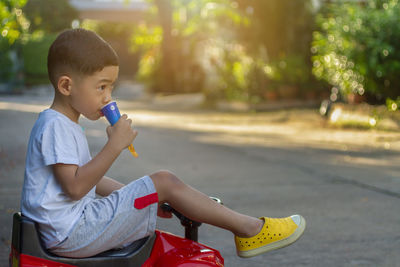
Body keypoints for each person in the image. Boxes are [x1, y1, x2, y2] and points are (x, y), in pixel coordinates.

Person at [21, 28, 306, 259]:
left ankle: (246, 228)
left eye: (111, 87)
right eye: (101, 87)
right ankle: (250, 229)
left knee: (161, 187)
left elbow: (90, 180)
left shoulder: (62, 123)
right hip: (73, 232)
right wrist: (115, 146)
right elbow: (75, 187)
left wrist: (141, 197)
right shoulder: (55, 126)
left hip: (70, 228)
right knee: (165, 181)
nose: (108, 97)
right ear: (67, 86)